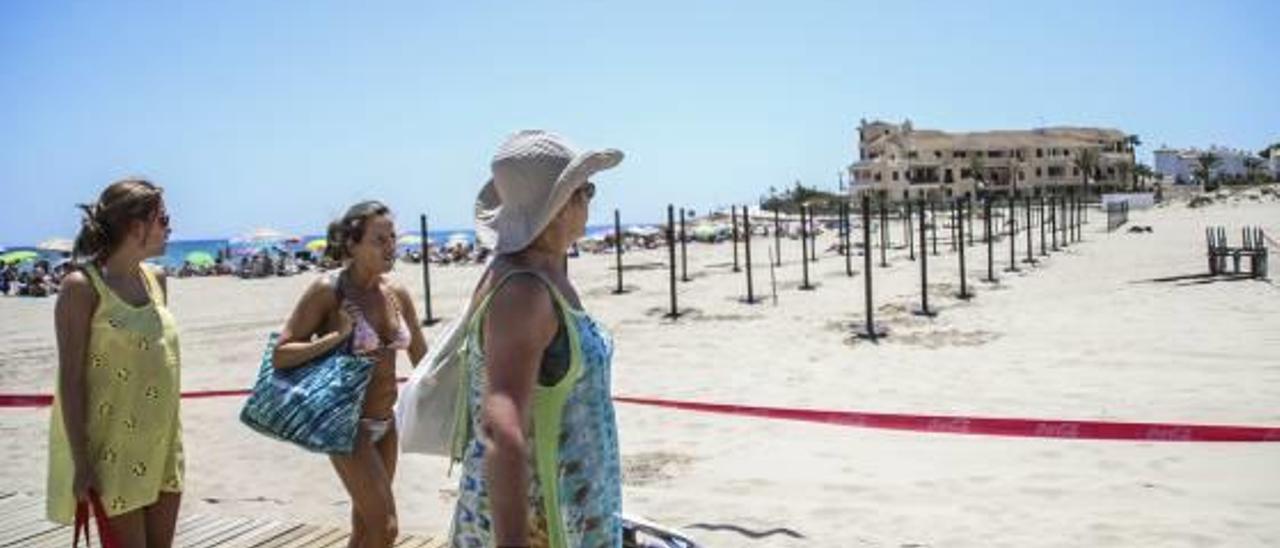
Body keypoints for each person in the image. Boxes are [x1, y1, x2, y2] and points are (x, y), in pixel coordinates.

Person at [450, 130, 625, 547]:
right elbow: (501, 427)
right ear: (561, 204)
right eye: (587, 190)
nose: (590, 201)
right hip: (541, 524)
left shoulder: (536, 274)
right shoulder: (524, 291)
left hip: (565, 509)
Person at [272, 201, 427, 547]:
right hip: (346, 426)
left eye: (392, 238)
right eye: (379, 239)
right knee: (386, 528)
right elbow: (281, 355)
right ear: (352, 245)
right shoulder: (328, 291)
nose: (390, 247)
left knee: (366, 530)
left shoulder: (396, 293)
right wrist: (335, 337)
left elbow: (422, 359)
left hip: (386, 424)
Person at [46, 178, 184, 548]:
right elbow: (70, 380)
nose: (170, 228)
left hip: (164, 446)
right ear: (135, 226)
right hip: (112, 453)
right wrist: (80, 463)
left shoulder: (156, 279)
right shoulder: (81, 288)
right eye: (163, 219)